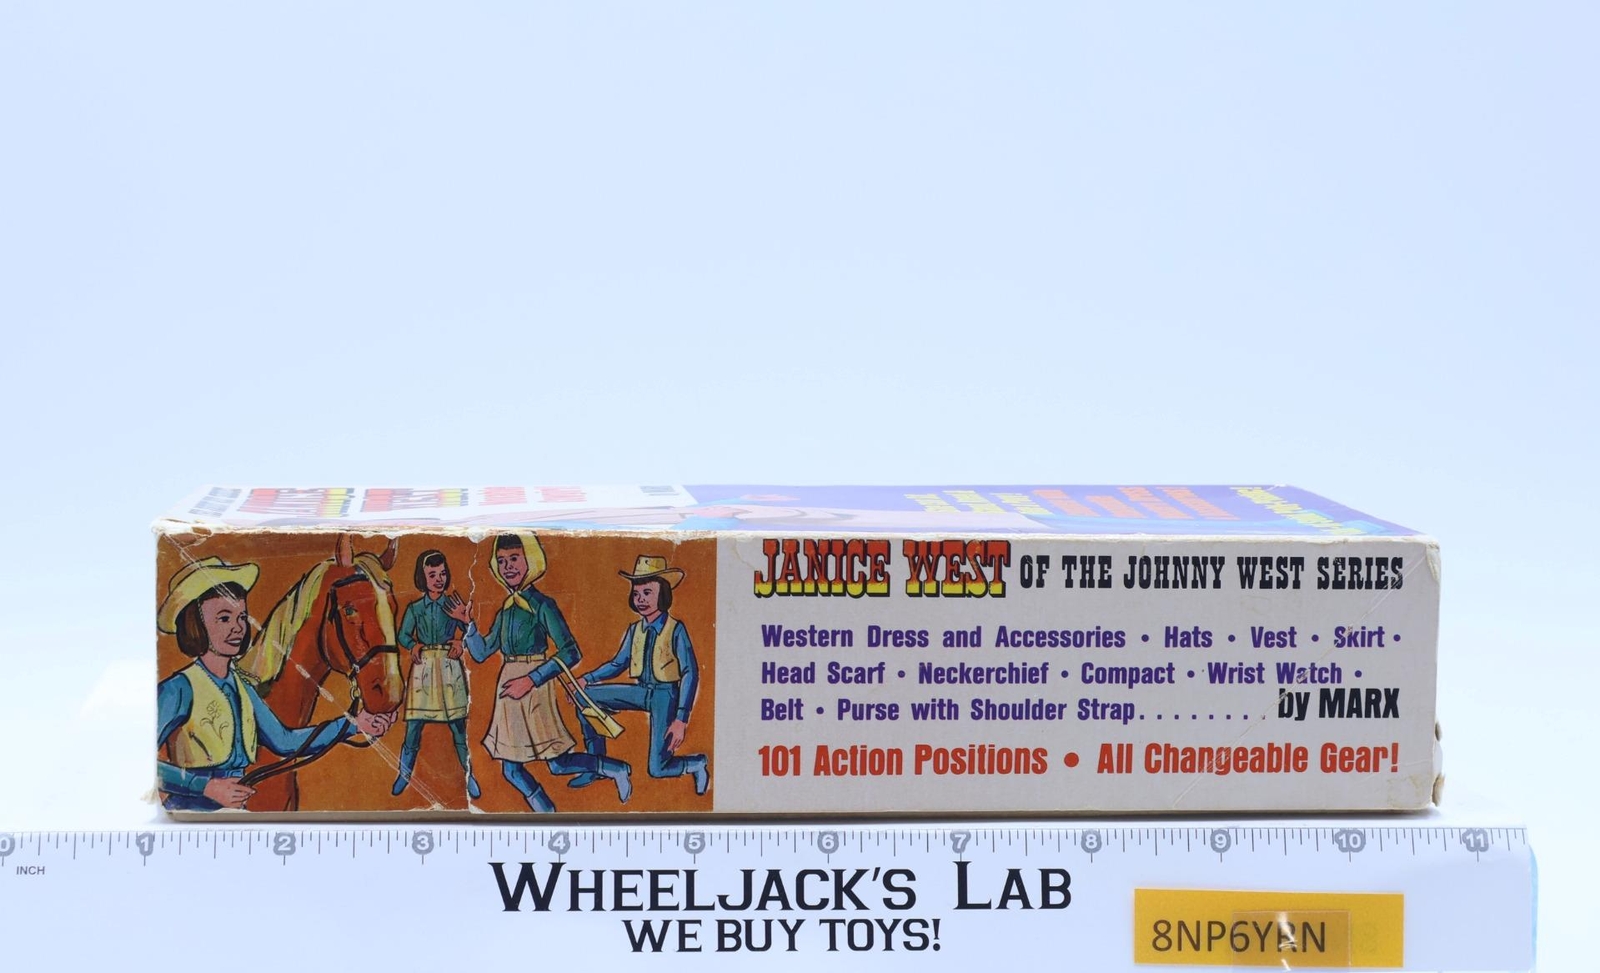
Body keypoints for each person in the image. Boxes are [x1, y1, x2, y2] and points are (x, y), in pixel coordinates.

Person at [156, 557, 393, 811]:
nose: (237, 627)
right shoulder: (178, 688)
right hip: (189, 814)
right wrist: (206, 787)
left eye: (241, 617)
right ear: (196, 624)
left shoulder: (242, 687)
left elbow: (284, 740)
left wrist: (355, 724)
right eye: (224, 619)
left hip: (236, 813)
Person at [463, 533, 631, 811]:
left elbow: (571, 651)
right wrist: (468, 626)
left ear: (531, 559)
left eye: (514, 559)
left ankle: (615, 769)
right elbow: (482, 653)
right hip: (508, 690)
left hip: (535, 688)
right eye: (501, 561)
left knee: (556, 763)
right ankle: (546, 815)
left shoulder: (543, 605)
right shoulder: (506, 610)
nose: (508, 567)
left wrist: (531, 680)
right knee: (511, 769)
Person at [572, 555, 709, 796]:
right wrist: (587, 679)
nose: (641, 599)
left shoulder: (676, 629)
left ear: (662, 594)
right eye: (636, 594)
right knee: (584, 696)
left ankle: (696, 764)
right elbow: (618, 663)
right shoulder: (635, 629)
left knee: (658, 768)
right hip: (640, 691)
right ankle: (598, 764)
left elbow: (690, 672)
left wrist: (681, 719)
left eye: (647, 593)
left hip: (665, 696)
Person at [392, 550, 479, 800]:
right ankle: (403, 774)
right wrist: (413, 646)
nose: (439, 579)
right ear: (423, 578)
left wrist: (461, 642)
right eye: (432, 575)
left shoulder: (452, 604)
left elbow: (468, 630)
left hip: (449, 667)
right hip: (423, 668)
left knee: (458, 726)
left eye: (442, 574)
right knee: (413, 726)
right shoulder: (415, 608)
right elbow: (403, 635)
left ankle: (469, 775)